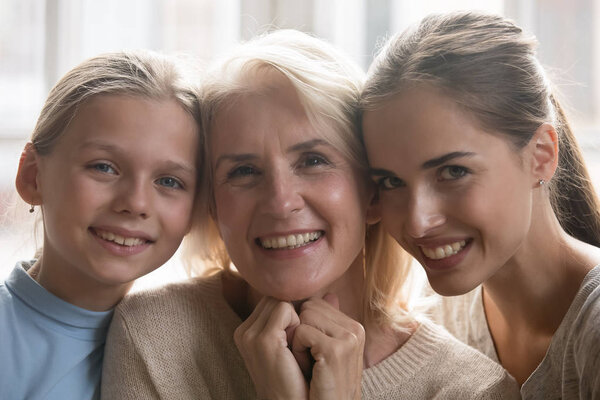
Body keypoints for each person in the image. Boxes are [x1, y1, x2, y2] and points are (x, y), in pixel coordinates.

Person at [101, 29, 519, 399]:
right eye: (244, 171)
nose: (281, 202)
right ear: (212, 204)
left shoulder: (471, 390)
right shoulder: (155, 333)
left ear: (371, 191)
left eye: (314, 161)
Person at [361, 10, 600, 399]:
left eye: (453, 172)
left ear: (541, 155)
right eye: (390, 182)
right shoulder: (435, 324)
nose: (418, 222)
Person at [0, 50, 202, 399]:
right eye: (104, 167)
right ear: (33, 176)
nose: (136, 203)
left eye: (169, 181)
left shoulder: (198, 348)